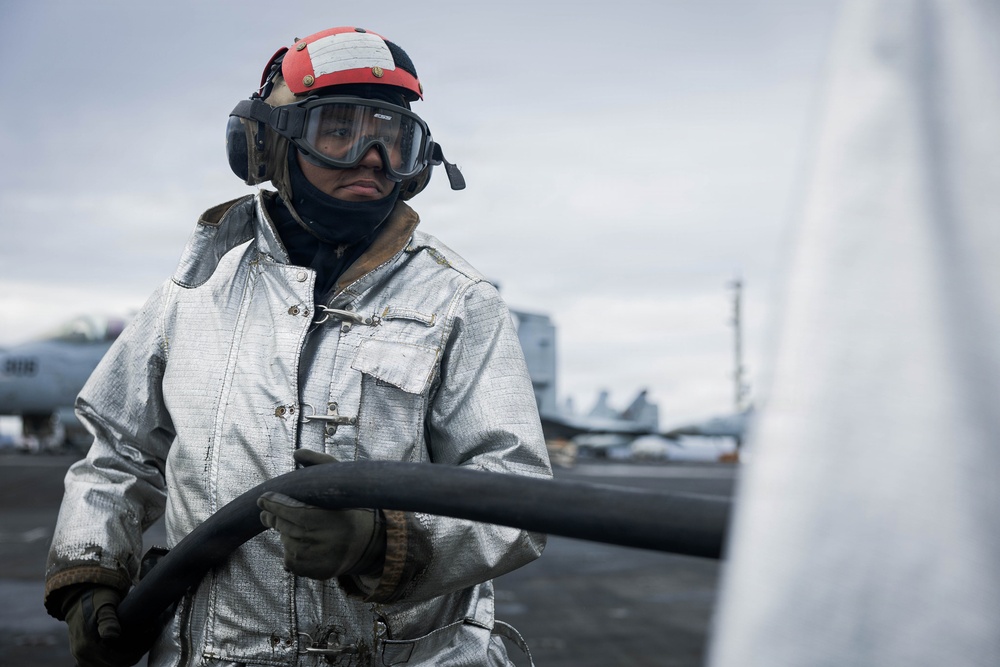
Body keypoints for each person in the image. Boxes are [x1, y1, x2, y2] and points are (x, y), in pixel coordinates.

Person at [44, 26, 552, 667]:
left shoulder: (461, 302)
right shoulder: (195, 289)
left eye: (393, 137)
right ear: (267, 143)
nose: (372, 156)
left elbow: (517, 495)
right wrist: (90, 571)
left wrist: (384, 544)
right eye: (337, 130)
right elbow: (118, 454)